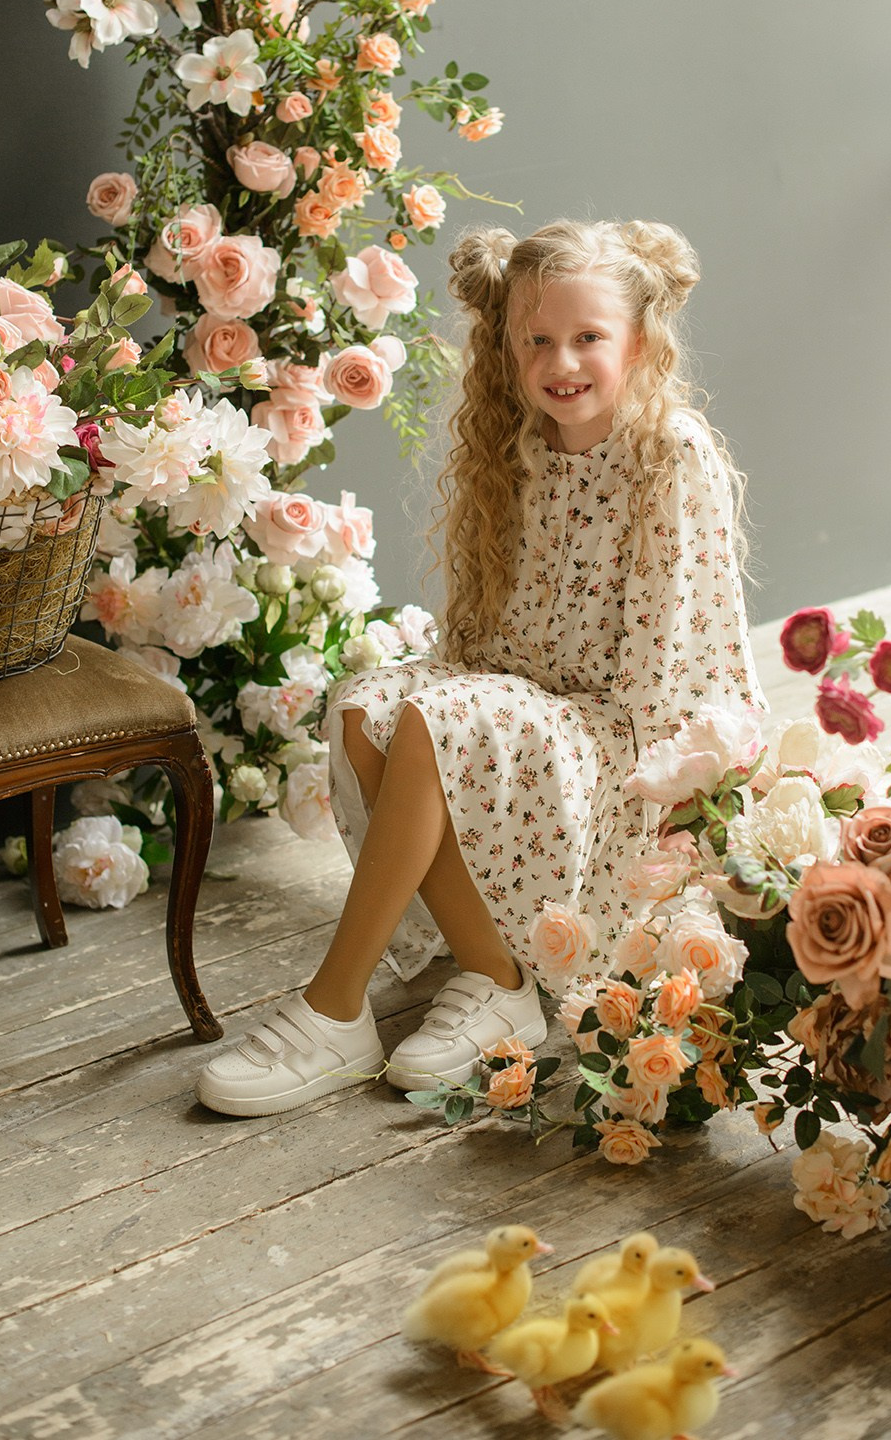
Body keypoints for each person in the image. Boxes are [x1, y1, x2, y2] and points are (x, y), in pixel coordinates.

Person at [195, 217, 768, 1117]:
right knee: (365, 706)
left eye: (587, 337)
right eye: (536, 339)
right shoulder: (517, 448)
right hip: (527, 694)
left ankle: (334, 1007)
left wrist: (666, 805)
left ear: (640, 343)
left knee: (437, 721)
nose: (560, 360)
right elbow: (487, 636)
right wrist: (462, 692)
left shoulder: (669, 454)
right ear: (506, 346)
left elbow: (672, 654)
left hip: (620, 731)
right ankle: (495, 975)